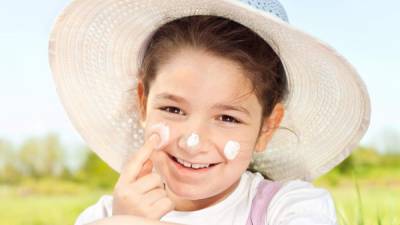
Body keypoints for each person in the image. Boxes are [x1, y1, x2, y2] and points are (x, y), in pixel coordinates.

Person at [48, 0, 371, 224]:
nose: (193, 141)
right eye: (173, 109)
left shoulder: (291, 207)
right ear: (143, 102)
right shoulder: (103, 216)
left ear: (267, 128)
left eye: (227, 118)